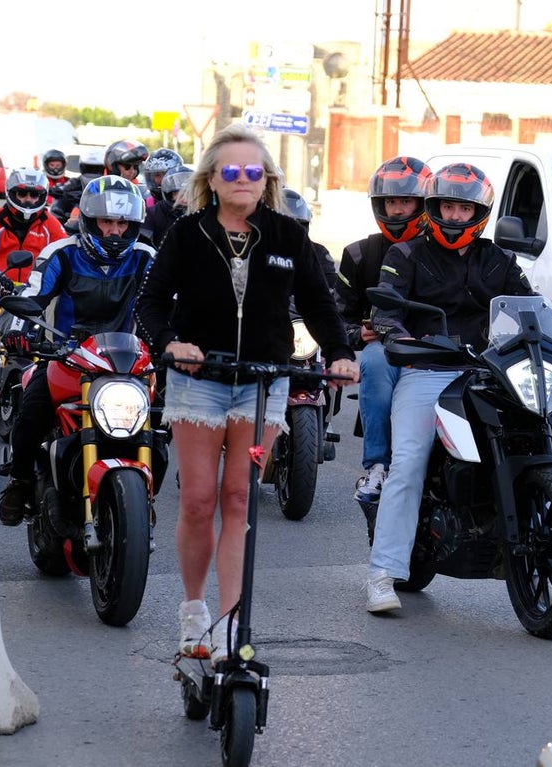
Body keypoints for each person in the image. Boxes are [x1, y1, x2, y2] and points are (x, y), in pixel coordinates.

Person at [133, 123, 358, 663]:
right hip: (199, 383)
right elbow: (152, 303)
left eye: (252, 172)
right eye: (230, 171)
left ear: (266, 180)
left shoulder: (288, 236)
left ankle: (232, 622)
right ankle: (193, 612)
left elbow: (321, 302)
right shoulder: (187, 234)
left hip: (263, 382)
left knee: (239, 500)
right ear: (212, 179)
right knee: (199, 500)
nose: (241, 180)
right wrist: (171, 342)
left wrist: (341, 351)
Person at [365, 162, 535, 613]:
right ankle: (382, 573)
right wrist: (395, 333)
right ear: (434, 207)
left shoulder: (499, 260)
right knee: (407, 464)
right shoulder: (405, 255)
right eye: (448, 207)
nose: (455, 216)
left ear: (478, 213)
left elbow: (530, 307)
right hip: (427, 371)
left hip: (488, 372)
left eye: (464, 208)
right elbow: (386, 307)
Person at [0, 175, 156, 525]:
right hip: (66, 358)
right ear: (87, 220)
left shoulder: (146, 258)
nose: (114, 231)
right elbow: (31, 296)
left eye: (122, 223)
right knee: (32, 412)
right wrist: (19, 331)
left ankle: (144, 497)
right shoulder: (62, 253)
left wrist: (181, 340)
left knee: (161, 423)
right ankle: (20, 481)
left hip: (128, 364)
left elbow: (171, 304)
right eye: (106, 222)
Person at [335, 156, 433, 518]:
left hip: (445, 356)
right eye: (391, 201)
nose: (397, 209)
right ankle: (376, 466)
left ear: (423, 205)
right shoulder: (358, 254)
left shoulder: (444, 252)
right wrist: (357, 334)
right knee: (375, 356)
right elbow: (335, 319)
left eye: (405, 201)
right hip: (389, 357)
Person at [0, 168, 66, 282]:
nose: (28, 199)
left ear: (42, 196)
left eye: (34, 195)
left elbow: (66, 252)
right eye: (22, 194)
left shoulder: (50, 222)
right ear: (11, 193)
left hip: (35, 289)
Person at [140, 164, 192, 248]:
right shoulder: (152, 214)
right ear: (170, 194)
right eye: (180, 194)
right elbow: (144, 243)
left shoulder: (200, 213)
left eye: (189, 193)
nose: (185, 198)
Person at [50, 147, 105, 224]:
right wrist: (69, 195)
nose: (92, 172)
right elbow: (58, 190)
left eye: (96, 169)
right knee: (58, 204)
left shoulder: (109, 182)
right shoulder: (75, 182)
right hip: (74, 223)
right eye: (88, 168)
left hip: (103, 218)